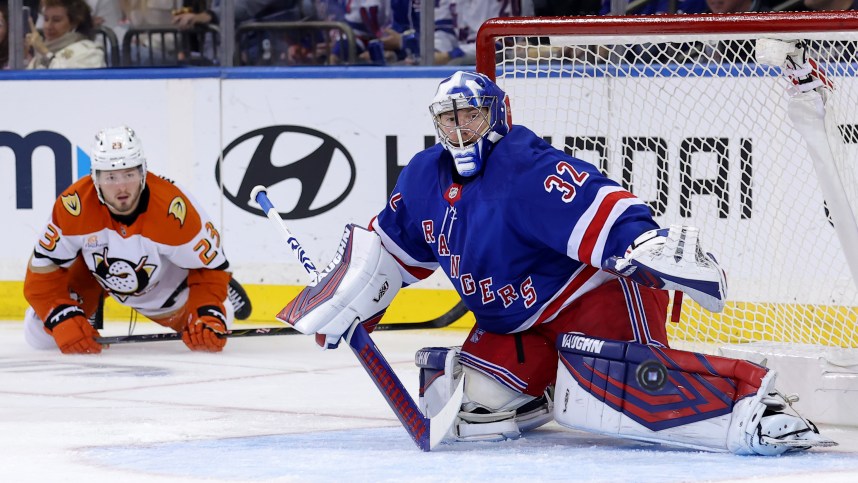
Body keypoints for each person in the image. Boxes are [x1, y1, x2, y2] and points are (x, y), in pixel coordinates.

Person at [278, 71, 834, 455]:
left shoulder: (524, 166)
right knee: (466, 409)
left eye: (469, 116)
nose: (459, 130)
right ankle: (547, 388)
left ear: (496, 115)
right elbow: (387, 253)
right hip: (516, 323)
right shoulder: (423, 176)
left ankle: (754, 406)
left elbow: (607, 209)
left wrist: (649, 245)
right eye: (448, 121)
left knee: (624, 394)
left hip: (593, 302)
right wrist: (341, 302)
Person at [23, 126, 237, 354]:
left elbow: (210, 267)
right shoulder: (73, 206)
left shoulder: (174, 210)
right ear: (95, 177)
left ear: (143, 172)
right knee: (38, 336)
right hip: (93, 277)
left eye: (129, 174)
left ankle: (223, 292)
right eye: (111, 177)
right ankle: (87, 307)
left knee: (218, 321)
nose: (122, 187)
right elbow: (44, 268)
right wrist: (62, 316)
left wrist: (208, 311)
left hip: (159, 289)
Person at [25, 0, 105, 69]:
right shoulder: (39, 55)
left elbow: (68, 81)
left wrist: (46, 53)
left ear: (74, 23)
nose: (48, 26)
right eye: (46, 19)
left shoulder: (89, 52)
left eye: (56, 20)